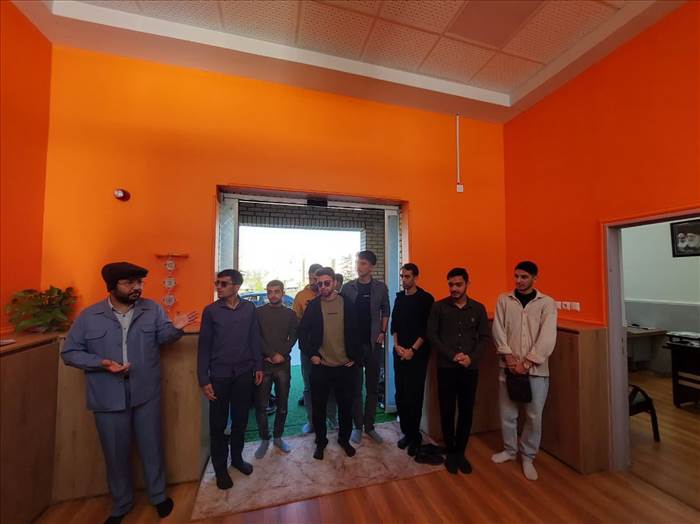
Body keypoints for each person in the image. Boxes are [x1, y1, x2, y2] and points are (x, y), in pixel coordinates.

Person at [61, 262, 197, 524]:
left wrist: (176, 328)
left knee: (152, 447)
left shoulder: (152, 309)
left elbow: (163, 338)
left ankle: (158, 496)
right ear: (112, 286)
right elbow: (69, 353)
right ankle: (121, 504)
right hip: (107, 396)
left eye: (139, 282)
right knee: (115, 453)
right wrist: (101, 363)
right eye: (129, 283)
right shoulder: (89, 316)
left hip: (146, 392)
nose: (137, 288)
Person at [491, 261, 557, 481]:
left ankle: (528, 456)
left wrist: (527, 363)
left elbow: (547, 337)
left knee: (533, 415)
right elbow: (498, 329)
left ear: (535, 278)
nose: (518, 281)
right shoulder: (504, 300)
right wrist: (508, 357)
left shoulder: (546, 303)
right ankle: (509, 450)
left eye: (524, 277)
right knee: (508, 413)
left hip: (536, 371)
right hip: (508, 367)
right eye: (516, 276)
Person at [197, 269, 263, 490]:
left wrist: (258, 365)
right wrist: (203, 379)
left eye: (223, 284)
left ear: (236, 286)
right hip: (219, 376)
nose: (218, 287)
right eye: (217, 283)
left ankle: (236, 459)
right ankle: (220, 469)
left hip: (244, 374)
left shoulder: (249, 308)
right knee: (217, 424)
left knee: (241, 420)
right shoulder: (211, 311)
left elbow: (254, 338)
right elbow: (204, 347)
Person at [427, 267, 490, 475]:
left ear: (467, 284)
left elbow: (484, 338)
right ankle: (451, 451)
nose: (454, 288)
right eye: (451, 284)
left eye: (458, 284)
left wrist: (471, 357)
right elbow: (432, 335)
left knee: (466, 410)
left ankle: (460, 451)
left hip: (469, 368)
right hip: (446, 367)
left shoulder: (478, 309)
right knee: (446, 409)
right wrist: (452, 355)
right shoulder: (438, 307)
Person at [298, 267, 360, 460]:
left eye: (326, 283)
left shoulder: (347, 303)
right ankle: (321, 442)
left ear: (334, 283)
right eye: (319, 284)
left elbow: (358, 331)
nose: (323, 287)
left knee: (345, 407)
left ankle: (344, 440)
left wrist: (355, 357)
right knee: (318, 408)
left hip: (344, 367)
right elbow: (302, 333)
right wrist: (312, 355)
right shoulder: (314, 306)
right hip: (321, 367)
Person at [341, 250, 390, 444]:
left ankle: (370, 426)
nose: (358, 266)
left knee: (372, 387)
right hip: (354, 346)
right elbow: (342, 315)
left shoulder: (380, 288)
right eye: (357, 263)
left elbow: (386, 310)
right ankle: (357, 426)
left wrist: (382, 331)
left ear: (371, 266)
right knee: (355, 388)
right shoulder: (348, 288)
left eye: (362, 263)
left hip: (373, 345)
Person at [391, 263, 434, 456]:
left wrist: (412, 350)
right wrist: (396, 346)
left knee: (414, 395)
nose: (404, 280)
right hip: (399, 352)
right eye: (402, 276)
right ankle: (407, 433)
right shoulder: (399, 298)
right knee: (400, 394)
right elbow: (395, 325)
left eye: (407, 276)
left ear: (416, 277)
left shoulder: (426, 299)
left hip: (417, 355)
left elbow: (426, 329)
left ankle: (415, 436)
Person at [254, 280, 298, 458]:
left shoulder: (290, 314)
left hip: (283, 365)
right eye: (270, 291)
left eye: (276, 291)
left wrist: (282, 354)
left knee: (282, 405)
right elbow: (256, 336)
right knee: (261, 405)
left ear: (283, 293)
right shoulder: (258, 313)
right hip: (264, 365)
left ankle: (278, 437)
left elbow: (293, 336)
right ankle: (264, 439)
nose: (273, 295)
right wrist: (271, 354)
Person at [292, 264, 337, 432]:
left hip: (330, 349)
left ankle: (332, 419)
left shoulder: (332, 296)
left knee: (330, 386)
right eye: (311, 278)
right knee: (309, 386)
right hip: (309, 350)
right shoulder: (301, 296)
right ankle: (311, 421)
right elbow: (297, 323)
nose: (314, 282)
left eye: (316, 279)